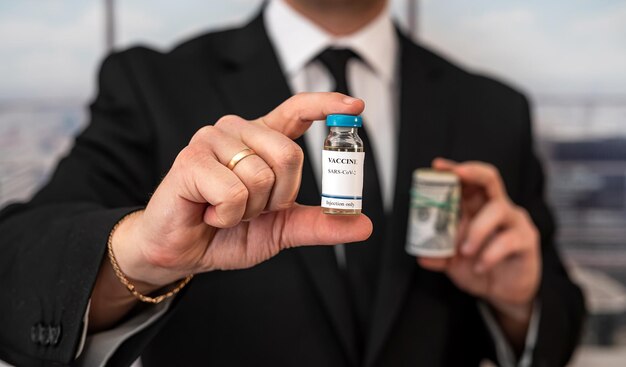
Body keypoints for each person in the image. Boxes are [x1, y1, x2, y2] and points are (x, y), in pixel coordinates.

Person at [0, 0, 585, 366]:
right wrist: (143, 255)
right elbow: (19, 269)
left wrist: (516, 304)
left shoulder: (494, 108)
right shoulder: (152, 83)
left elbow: (556, 320)